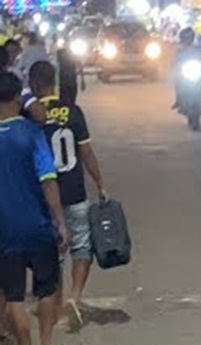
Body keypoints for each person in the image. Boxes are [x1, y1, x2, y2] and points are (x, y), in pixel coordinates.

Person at [0, 71, 69, 345]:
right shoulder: (32, 134)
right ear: (18, 98)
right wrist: (60, 221)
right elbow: (48, 180)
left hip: (5, 231)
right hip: (38, 226)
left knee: (14, 297)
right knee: (47, 288)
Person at [29, 61, 107, 331]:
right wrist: (100, 182)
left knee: (55, 251)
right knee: (82, 246)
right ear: (54, 81)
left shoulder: (32, 115)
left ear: (33, 85)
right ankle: (75, 296)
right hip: (75, 190)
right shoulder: (73, 111)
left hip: (46, 195)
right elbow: (86, 152)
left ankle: (56, 300)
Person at [171, 27, 201, 111]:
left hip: (196, 70)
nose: (187, 39)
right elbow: (174, 61)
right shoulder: (180, 50)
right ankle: (178, 100)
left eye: (189, 37)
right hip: (184, 72)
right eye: (186, 37)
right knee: (177, 80)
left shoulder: (197, 49)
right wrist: (174, 65)